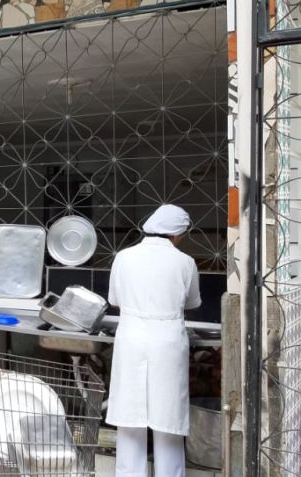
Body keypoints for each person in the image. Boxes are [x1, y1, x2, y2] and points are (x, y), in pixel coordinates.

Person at [106, 204, 201, 477]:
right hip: (167, 342)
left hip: (131, 339)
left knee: (129, 421)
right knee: (168, 421)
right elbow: (193, 302)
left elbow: (114, 299)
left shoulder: (123, 257)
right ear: (177, 234)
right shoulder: (185, 262)